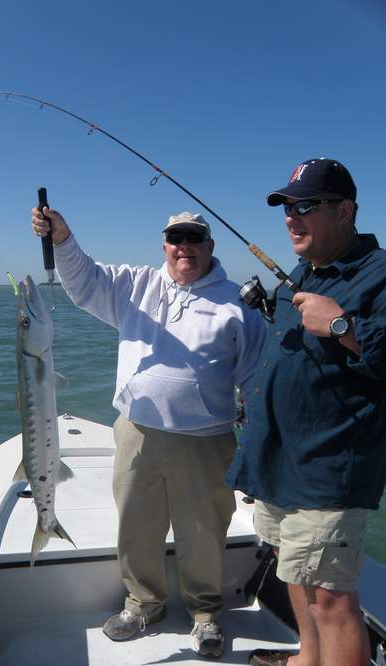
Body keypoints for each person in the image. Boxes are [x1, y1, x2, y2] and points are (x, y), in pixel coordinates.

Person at [32, 207, 265, 658]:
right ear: (164, 246)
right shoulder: (134, 285)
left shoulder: (238, 305)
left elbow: (254, 379)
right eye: (176, 239)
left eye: (194, 238)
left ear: (210, 246)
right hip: (136, 432)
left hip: (206, 440)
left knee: (203, 531)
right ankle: (143, 604)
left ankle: (205, 613)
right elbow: (83, 281)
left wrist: (259, 442)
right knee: (137, 525)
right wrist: (61, 239)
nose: (184, 247)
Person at [227, 158, 386, 666]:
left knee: (329, 600)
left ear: (345, 210)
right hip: (277, 462)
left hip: (328, 467)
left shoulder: (379, 274)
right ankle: (306, 659)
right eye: (287, 208)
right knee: (292, 573)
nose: (292, 218)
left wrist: (342, 326)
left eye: (306, 206)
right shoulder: (303, 272)